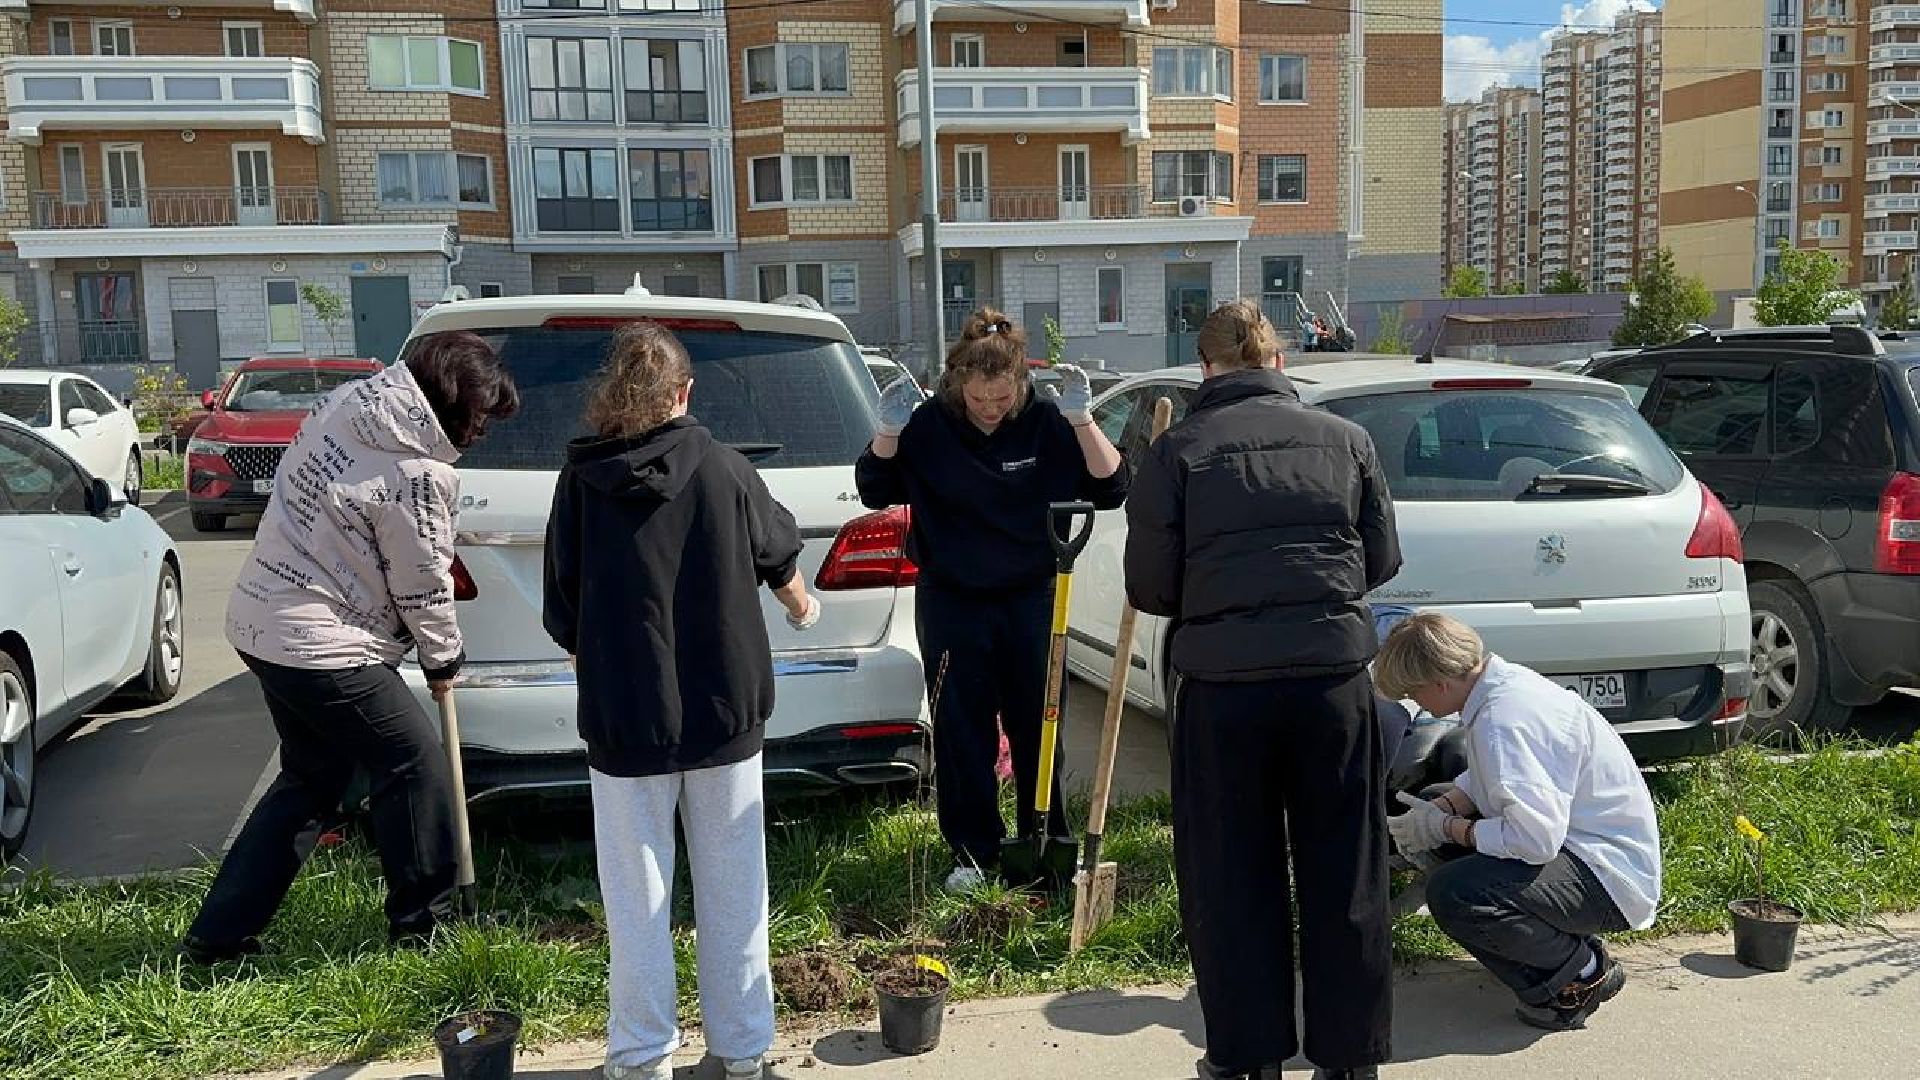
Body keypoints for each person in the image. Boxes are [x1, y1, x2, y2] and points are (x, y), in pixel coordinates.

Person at [1124, 299, 1400, 1080]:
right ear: (1278, 362)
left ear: (1205, 368)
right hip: (1332, 683)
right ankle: (1351, 1060)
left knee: (1232, 874)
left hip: (1224, 689)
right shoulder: (1349, 440)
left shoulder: (1178, 450)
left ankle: (1247, 1058)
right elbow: (1380, 559)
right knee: (1346, 871)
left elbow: (1150, 585)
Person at [182, 332, 520, 964]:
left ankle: (219, 935)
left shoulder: (348, 406)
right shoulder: (418, 473)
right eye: (478, 418)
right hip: (321, 642)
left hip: (262, 618)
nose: (480, 433)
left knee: (313, 778)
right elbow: (422, 577)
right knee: (415, 764)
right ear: (448, 405)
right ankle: (425, 927)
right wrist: (442, 655)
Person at [542, 322, 819, 1080]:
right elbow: (781, 563)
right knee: (735, 891)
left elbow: (563, 607)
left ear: (611, 397)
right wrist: (804, 609)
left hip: (626, 719)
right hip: (725, 714)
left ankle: (639, 1059)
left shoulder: (580, 484)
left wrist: (597, 664)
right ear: (684, 393)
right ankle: (741, 1053)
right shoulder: (726, 470)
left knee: (636, 900)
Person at [855, 307, 1127, 892]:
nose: (991, 409)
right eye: (980, 398)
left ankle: (1044, 839)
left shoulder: (1045, 423)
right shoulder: (929, 428)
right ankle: (972, 851)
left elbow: (1111, 488)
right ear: (958, 384)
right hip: (953, 599)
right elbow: (873, 490)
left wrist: (1082, 420)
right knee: (962, 728)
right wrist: (888, 432)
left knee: (1040, 723)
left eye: (1002, 398)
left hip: (1032, 598)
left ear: (1020, 385)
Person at [1373, 613, 1661, 1032]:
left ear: (1439, 684)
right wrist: (1446, 806)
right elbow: (1496, 777)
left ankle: (1577, 974)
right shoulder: (1500, 686)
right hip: (1586, 849)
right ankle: (1544, 945)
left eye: (1414, 693)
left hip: (1606, 878)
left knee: (1456, 894)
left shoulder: (1503, 722)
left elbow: (1533, 841)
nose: (1416, 704)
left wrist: (1446, 828)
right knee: (1439, 806)